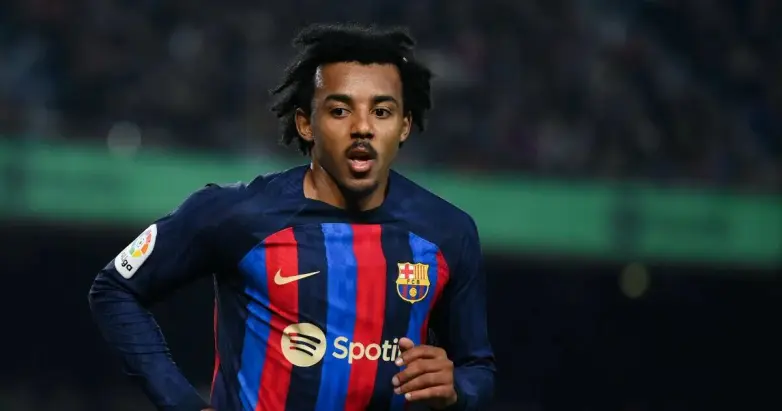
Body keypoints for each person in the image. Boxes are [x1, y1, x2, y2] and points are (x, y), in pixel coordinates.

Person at [89, 23, 495, 411]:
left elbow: (477, 368)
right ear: (306, 124)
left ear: (404, 126)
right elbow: (115, 289)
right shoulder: (237, 214)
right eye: (340, 111)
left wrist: (457, 388)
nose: (362, 127)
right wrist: (183, 405)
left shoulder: (448, 232)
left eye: (382, 112)